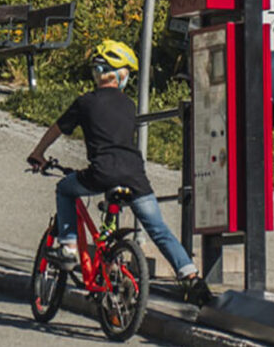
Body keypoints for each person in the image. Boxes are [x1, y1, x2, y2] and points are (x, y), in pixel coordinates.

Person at [27, 40, 213, 306]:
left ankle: (68, 248)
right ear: (121, 75)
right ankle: (191, 276)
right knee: (158, 229)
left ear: (98, 72)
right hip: (136, 176)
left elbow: (57, 129)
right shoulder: (128, 105)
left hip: (101, 173)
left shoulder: (85, 102)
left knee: (65, 189)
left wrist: (38, 154)